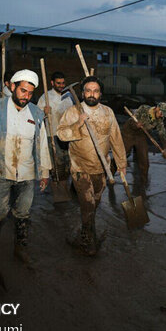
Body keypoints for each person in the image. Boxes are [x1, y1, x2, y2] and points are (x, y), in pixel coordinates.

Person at [0, 69, 51, 264]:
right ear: (12, 86)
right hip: (1, 171)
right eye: (23, 91)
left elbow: (42, 144)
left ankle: (20, 248)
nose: (26, 96)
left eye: (30, 93)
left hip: (26, 173)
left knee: (23, 212)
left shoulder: (37, 114)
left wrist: (45, 172)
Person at [57, 76, 127, 256]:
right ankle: (89, 243)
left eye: (95, 91)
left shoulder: (108, 112)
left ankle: (84, 232)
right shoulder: (73, 112)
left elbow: (116, 139)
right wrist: (78, 123)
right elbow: (61, 135)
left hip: (101, 169)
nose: (91, 94)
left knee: (94, 205)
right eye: (88, 90)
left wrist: (121, 163)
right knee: (88, 205)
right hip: (80, 169)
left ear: (100, 94)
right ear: (82, 93)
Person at [37, 71, 74, 186]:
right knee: (56, 163)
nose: (61, 85)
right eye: (58, 83)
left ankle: (65, 185)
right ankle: (56, 184)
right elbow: (36, 116)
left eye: (63, 83)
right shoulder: (45, 97)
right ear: (52, 83)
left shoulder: (68, 97)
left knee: (68, 162)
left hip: (67, 135)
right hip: (52, 134)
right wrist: (44, 112)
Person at [119, 102, 166, 184]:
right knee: (122, 156)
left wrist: (165, 148)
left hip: (141, 135)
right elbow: (133, 120)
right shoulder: (144, 109)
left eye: (163, 114)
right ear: (156, 108)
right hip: (129, 133)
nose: (162, 116)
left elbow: (162, 132)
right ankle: (110, 173)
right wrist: (136, 125)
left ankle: (143, 183)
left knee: (144, 160)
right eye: (161, 113)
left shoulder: (159, 118)